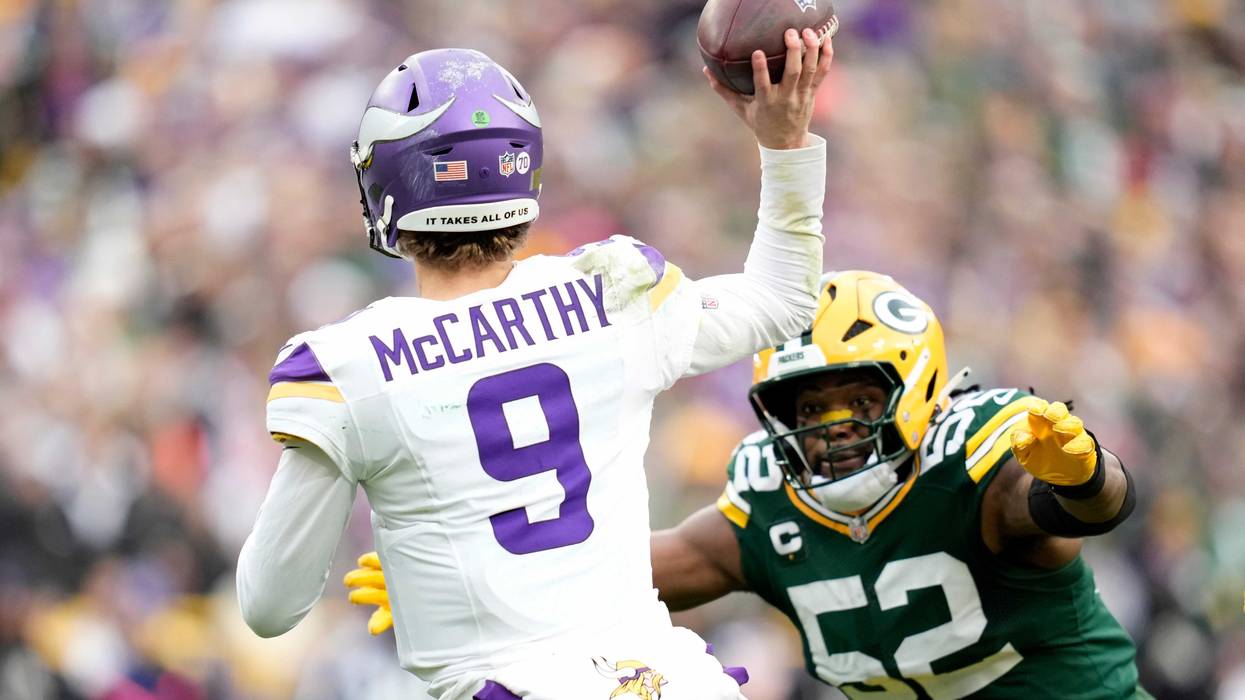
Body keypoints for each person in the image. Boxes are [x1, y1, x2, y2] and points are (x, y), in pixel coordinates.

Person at [238, 32, 835, 700]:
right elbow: (783, 298)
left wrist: (431, 589)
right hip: (672, 684)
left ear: (386, 183)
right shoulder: (612, 292)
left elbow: (269, 605)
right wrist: (783, 143)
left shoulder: (351, 366)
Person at [349, 270, 1145, 699]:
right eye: (810, 406)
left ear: (917, 389)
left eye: (857, 401)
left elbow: (1066, 508)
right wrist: (466, 584)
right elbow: (625, 572)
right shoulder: (771, 500)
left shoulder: (977, 460)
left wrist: (1084, 476)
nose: (832, 427)